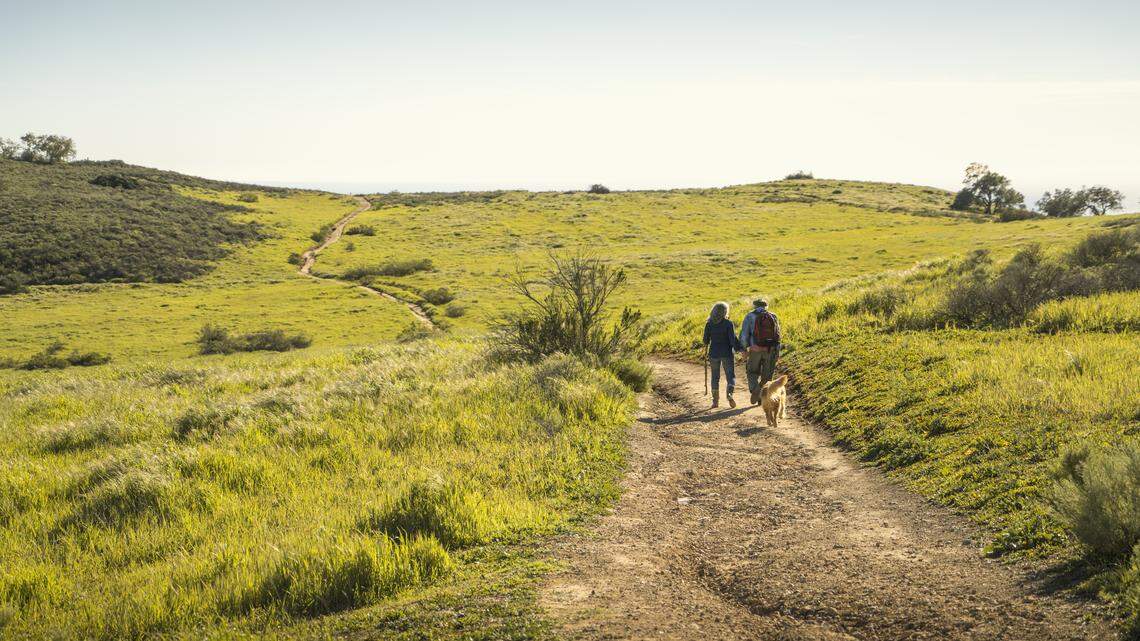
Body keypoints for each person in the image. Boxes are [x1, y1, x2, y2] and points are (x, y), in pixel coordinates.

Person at [739, 298, 782, 405]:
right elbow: (778, 335)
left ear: (754, 306)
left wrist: (744, 349)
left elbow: (744, 335)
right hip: (770, 350)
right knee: (767, 376)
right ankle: (763, 396)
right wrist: (777, 351)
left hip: (755, 349)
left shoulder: (749, 316)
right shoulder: (773, 316)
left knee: (752, 372)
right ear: (765, 306)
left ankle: (755, 391)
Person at [703, 301, 743, 408]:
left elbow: (705, 340)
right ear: (725, 311)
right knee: (730, 376)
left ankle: (715, 401)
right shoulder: (728, 323)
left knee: (715, 377)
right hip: (727, 353)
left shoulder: (709, 324)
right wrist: (740, 349)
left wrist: (706, 346)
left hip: (713, 353)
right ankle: (729, 394)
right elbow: (732, 339)